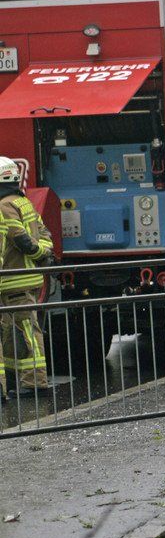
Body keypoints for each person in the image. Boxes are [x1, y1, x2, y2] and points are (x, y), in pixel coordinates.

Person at [0, 157, 53, 398]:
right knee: (15, 332)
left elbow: (19, 239)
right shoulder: (23, 202)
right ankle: (16, 380)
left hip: (13, 281)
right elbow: (44, 233)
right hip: (26, 278)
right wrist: (43, 253)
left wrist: (37, 252)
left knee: (27, 332)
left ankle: (34, 382)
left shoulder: (4, 206)